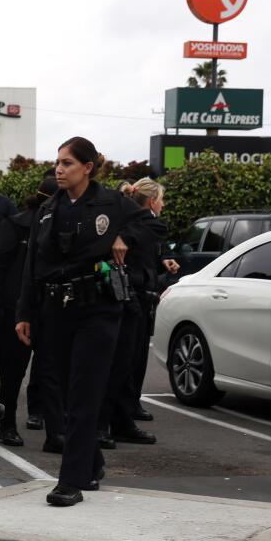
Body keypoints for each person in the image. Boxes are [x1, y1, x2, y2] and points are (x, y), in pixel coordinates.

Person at [15, 137, 148, 507]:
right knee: (60, 390)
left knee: (84, 392)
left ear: (88, 167)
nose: (59, 169)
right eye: (57, 162)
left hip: (98, 309)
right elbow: (32, 267)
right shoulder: (47, 210)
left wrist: (124, 235)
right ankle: (92, 461)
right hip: (56, 308)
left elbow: (153, 227)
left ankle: (71, 480)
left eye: (68, 163)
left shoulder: (112, 202)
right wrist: (24, 313)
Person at [99, 178, 178, 449]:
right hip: (124, 298)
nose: (163, 204)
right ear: (151, 201)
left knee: (129, 364)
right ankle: (102, 426)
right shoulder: (129, 223)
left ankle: (121, 420)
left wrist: (160, 262)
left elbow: (152, 237)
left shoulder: (139, 226)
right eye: (161, 199)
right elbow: (153, 228)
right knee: (117, 366)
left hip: (139, 298)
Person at [0, 174, 57, 446]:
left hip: (48, 310)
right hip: (13, 310)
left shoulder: (60, 226)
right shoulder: (16, 225)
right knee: (12, 373)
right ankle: (7, 423)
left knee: (50, 371)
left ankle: (51, 428)